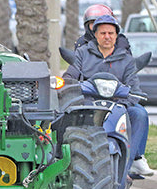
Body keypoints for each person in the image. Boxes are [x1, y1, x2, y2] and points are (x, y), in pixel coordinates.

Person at [63, 15, 154, 177]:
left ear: (116, 36)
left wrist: (126, 101)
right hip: (88, 104)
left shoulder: (126, 59)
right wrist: (71, 86)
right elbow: (69, 78)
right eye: (103, 33)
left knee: (139, 113)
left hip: (118, 106)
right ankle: (59, 156)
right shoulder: (82, 54)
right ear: (95, 35)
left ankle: (133, 160)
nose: (107, 37)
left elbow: (134, 88)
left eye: (111, 33)